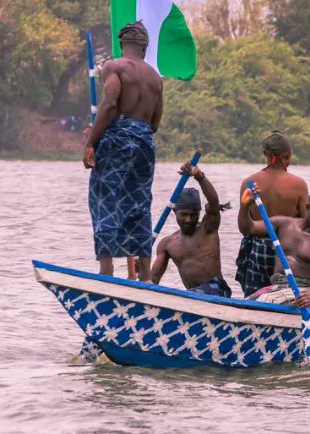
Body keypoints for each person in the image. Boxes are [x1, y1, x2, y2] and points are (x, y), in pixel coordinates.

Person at [83, 21, 163, 281]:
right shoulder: (155, 78)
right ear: (144, 48)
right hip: (144, 143)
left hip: (116, 138)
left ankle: (106, 269)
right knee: (140, 203)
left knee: (105, 199)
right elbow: (155, 124)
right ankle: (146, 274)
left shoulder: (114, 67)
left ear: (121, 45)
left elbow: (108, 105)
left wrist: (91, 142)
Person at [235, 130, 309, 297]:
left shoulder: (249, 183)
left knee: (253, 299)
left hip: (256, 251)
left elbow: (244, 228)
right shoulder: (298, 184)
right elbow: (306, 225)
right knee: (285, 297)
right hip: (286, 251)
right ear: (287, 155)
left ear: (266, 155)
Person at [150, 164, 231, 297]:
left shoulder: (207, 229)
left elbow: (214, 203)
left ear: (199, 213)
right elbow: (153, 278)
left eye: (193, 215)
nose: (188, 219)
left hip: (216, 289)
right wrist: (142, 271)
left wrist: (199, 176)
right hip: (192, 295)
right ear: (175, 211)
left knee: (184, 296)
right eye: (184, 215)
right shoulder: (167, 244)